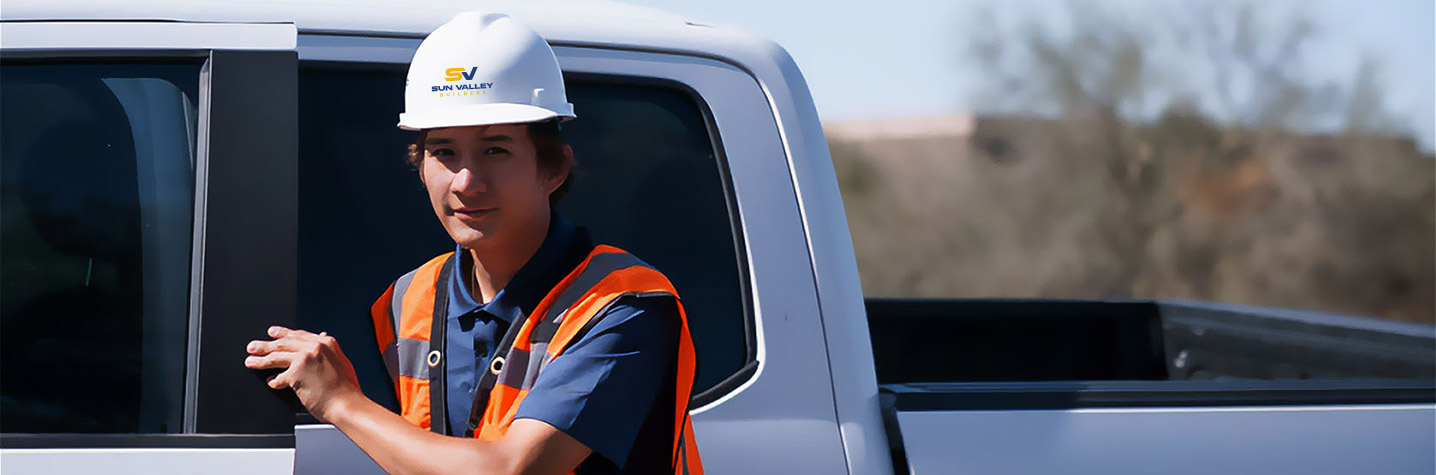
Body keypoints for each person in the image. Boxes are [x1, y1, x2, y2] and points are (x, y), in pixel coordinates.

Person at [243, 11, 703, 474]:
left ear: (555, 169)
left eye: (495, 149)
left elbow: (508, 469)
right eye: (443, 152)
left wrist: (341, 403)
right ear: (419, 167)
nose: (465, 181)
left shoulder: (624, 306)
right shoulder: (407, 300)